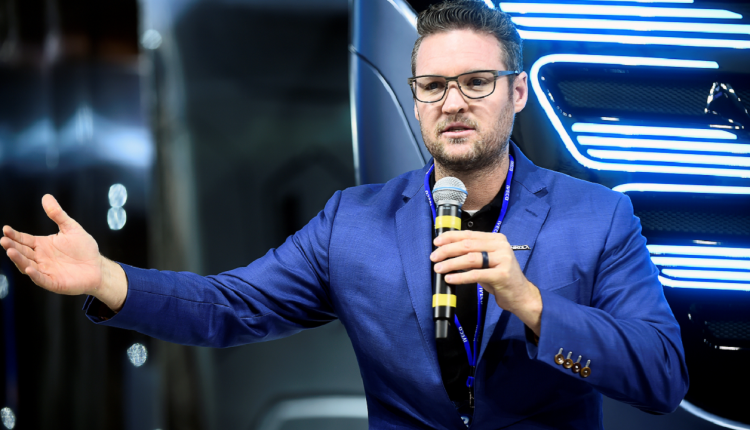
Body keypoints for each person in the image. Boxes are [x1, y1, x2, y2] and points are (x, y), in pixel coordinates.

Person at [1, 1, 688, 428]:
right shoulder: (353, 224)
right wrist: (107, 278)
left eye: (476, 83)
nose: (453, 102)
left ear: (517, 94)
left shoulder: (598, 218)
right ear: (415, 100)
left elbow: (661, 375)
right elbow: (229, 306)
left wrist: (532, 305)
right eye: (433, 86)